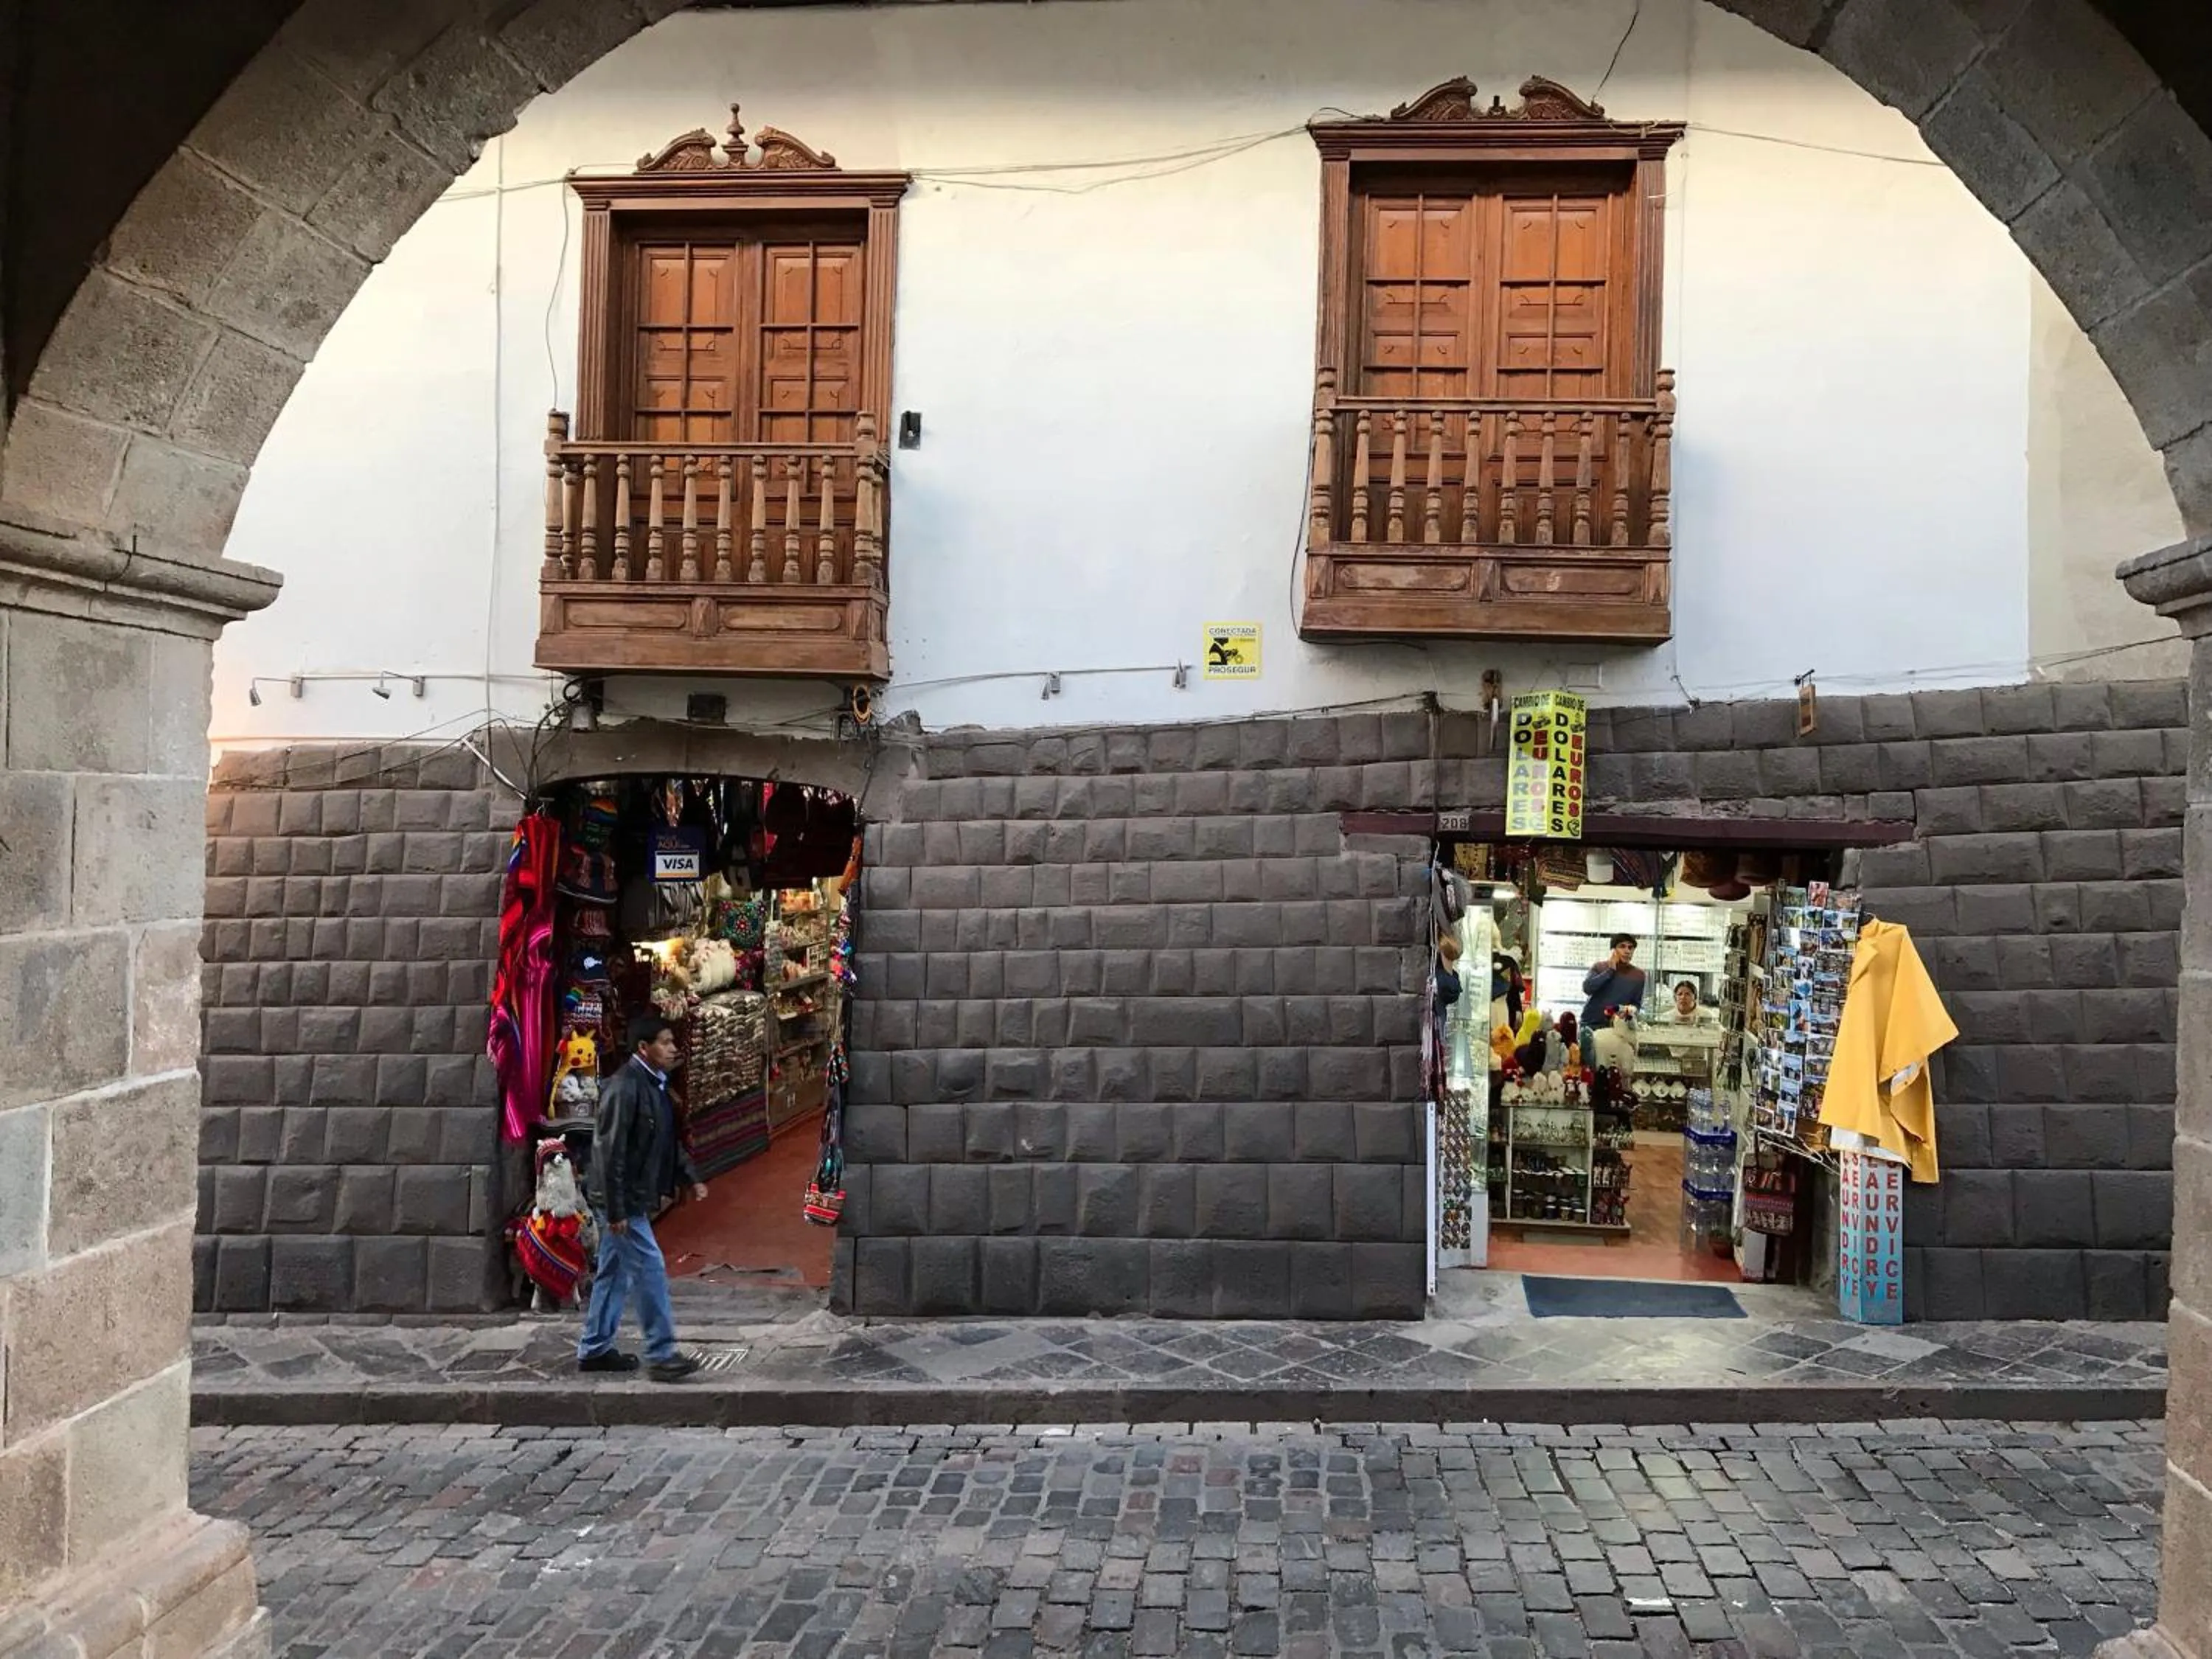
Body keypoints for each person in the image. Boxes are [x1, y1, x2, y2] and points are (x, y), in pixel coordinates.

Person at [577, 1013, 707, 1382]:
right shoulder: (624, 1088)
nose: (672, 1049)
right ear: (643, 1048)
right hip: (622, 1200)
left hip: (628, 1195)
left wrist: (690, 1177)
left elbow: (664, 1142)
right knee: (649, 1268)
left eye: (672, 1041)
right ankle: (661, 1353)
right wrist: (616, 1208)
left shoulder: (654, 1085)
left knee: (614, 1272)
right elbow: (609, 1151)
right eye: (665, 1042)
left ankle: (595, 1348)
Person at [1580, 933, 1647, 1064]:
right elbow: (1588, 988)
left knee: (1613, 1068)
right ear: (1613, 950)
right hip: (1591, 1025)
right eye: (1622, 946)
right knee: (1590, 1066)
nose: (1627, 951)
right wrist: (1610, 971)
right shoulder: (1599, 967)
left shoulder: (1639, 975)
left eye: (1631, 947)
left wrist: (1629, 1011)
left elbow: (1636, 1004)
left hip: (1617, 1030)